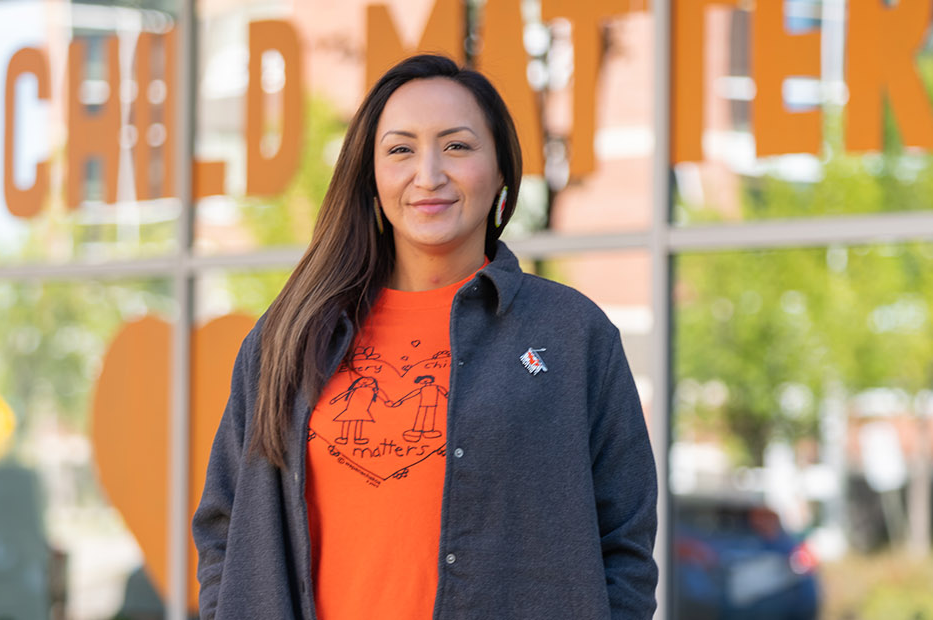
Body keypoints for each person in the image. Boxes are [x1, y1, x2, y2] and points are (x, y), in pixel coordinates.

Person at [192, 54, 657, 620]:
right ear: (371, 176)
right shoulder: (289, 335)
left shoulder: (571, 336)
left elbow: (626, 545)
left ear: (502, 171)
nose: (429, 175)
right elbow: (224, 524)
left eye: (457, 146)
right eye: (400, 149)